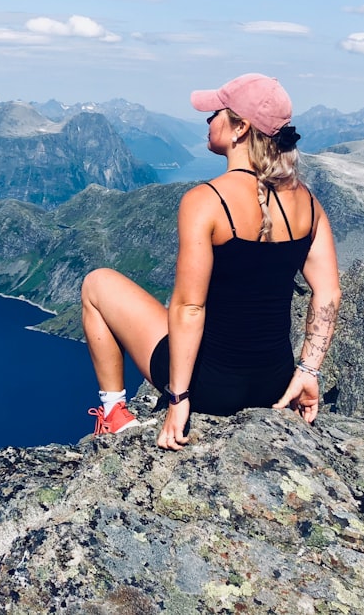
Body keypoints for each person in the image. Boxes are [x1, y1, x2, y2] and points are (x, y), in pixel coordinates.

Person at [81, 73, 341, 450]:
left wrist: (179, 399)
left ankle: (114, 414)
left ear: (240, 128)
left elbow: (189, 307)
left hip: (211, 387)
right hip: (274, 384)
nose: (207, 121)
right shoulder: (309, 204)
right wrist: (308, 372)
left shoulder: (205, 201)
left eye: (215, 113)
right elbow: (328, 293)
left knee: (97, 284)